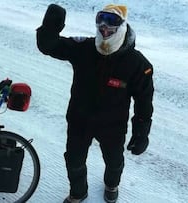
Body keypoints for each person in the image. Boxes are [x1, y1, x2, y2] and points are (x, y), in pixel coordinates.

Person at [36, 4, 154, 203]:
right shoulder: (85, 48)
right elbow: (50, 46)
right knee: (74, 160)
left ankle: (112, 184)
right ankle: (78, 192)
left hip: (113, 125)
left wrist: (141, 132)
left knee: (114, 162)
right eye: (101, 20)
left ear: (123, 25)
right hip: (79, 119)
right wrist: (51, 25)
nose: (105, 27)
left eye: (112, 22)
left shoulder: (137, 63)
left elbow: (144, 100)